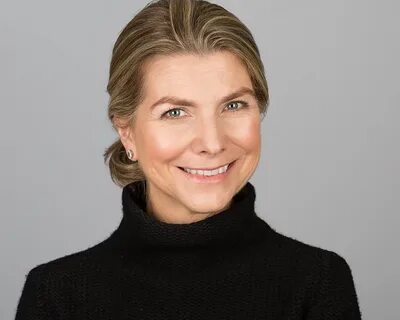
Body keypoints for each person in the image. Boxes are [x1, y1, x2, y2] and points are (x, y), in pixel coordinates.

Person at [15, 0, 362, 319]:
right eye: (176, 112)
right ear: (127, 132)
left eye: (234, 105)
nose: (212, 143)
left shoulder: (317, 283)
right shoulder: (57, 297)